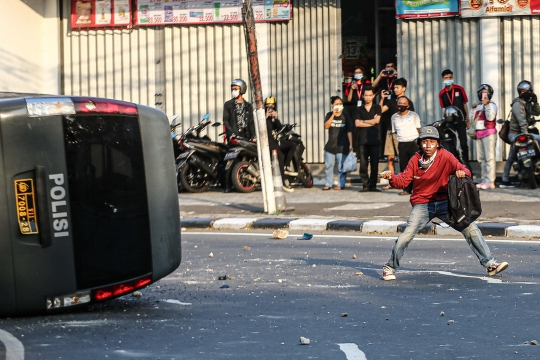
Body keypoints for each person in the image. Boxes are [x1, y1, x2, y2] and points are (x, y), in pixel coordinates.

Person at [379, 126, 509, 281]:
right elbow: (403, 181)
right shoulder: (415, 159)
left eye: (432, 142)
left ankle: (490, 264)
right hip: (422, 204)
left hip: (445, 203)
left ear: (438, 144)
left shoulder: (445, 156)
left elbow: (465, 171)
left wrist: (460, 173)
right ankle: (389, 268)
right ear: (420, 143)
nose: (428, 146)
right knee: (406, 235)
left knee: (470, 228)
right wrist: (391, 177)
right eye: (425, 142)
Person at [501, 80, 540, 188]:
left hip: (524, 133)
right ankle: (504, 180)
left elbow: (537, 112)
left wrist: (535, 103)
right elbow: (522, 121)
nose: (526, 93)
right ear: (519, 92)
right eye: (523, 91)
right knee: (511, 158)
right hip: (515, 134)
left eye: (528, 91)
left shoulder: (527, 103)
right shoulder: (517, 104)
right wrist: (526, 134)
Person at [379, 78, 415, 189]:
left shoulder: (408, 102)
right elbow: (379, 110)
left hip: (403, 133)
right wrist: (382, 99)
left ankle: (405, 182)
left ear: (404, 88)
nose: (395, 89)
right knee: (390, 157)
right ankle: (392, 181)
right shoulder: (391, 101)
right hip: (391, 131)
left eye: (397, 87)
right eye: (394, 87)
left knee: (403, 158)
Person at [438, 69, 473, 174]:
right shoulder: (442, 93)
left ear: (452, 78)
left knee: (463, 144)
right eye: (446, 78)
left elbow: (464, 104)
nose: (448, 79)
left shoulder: (459, 89)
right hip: (450, 122)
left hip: (461, 120)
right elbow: (445, 108)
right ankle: (456, 166)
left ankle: (467, 166)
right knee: (452, 143)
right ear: (442, 79)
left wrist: (467, 119)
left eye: (450, 77)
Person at [353, 86, 382, 192]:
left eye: (370, 95)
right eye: (366, 95)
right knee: (363, 165)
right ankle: (365, 185)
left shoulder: (377, 107)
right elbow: (357, 123)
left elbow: (377, 121)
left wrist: (363, 121)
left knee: (375, 164)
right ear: (363, 96)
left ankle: (373, 185)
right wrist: (371, 121)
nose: (368, 97)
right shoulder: (359, 109)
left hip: (375, 140)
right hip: (363, 140)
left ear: (374, 96)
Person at [391, 96, 421, 195]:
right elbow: (394, 132)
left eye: (404, 104)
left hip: (413, 142)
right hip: (402, 143)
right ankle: (406, 189)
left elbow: (418, 129)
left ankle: (417, 188)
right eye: (400, 103)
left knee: (416, 167)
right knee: (404, 167)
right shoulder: (394, 117)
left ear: (408, 106)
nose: (401, 106)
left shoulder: (414, 115)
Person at [323, 96, 354, 190]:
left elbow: (349, 130)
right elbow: (326, 126)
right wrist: (333, 115)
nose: (339, 106)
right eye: (336, 104)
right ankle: (328, 183)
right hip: (330, 146)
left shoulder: (346, 115)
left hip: (342, 145)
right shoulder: (329, 115)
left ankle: (341, 184)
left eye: (340, 104)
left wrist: (351, 144)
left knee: (341, 166)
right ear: (332, 105)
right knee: (328, 166)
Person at [471, 84, 498, 190]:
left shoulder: (492, 105)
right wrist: (473, 109)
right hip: (479, 134)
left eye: (486, 92)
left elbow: (490, 117)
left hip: (489, 134)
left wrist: (486, 105)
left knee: (489, 158)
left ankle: (490, 181)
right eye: (482, 92)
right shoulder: (478, 106)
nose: (484, 95)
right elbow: (473, 120)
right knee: (481, 159)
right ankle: (484, 179)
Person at [264, 97, 294, 192]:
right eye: (268, 106)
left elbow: (279, 128)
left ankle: (285, 166)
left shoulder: (273, 117)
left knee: (292, 145)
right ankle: (283, 179)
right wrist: (264, 117)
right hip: (266, 141)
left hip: (275, 140)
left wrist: (276, 118)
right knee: (279, 155)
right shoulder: (262, 116)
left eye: (272, 106)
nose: (270, 108)